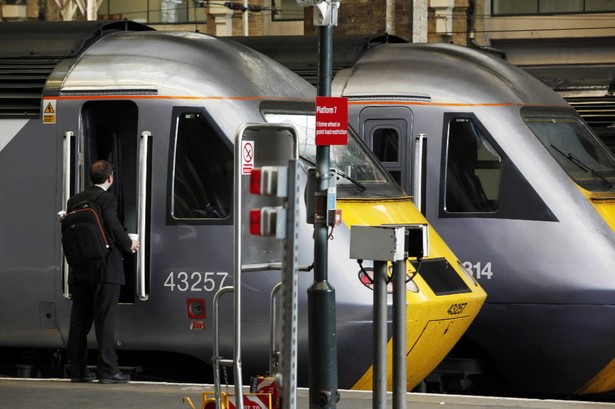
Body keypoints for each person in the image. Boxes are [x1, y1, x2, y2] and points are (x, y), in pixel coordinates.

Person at [66, 160, 139, 384]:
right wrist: (129, 245)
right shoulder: (107, 198)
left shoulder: (74, 200)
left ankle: (77, 369)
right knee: (105, 320)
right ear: (110, 178)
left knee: (79, 321)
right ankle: (108, 370)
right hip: (105, 268)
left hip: (79, 268)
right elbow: (113, 225)